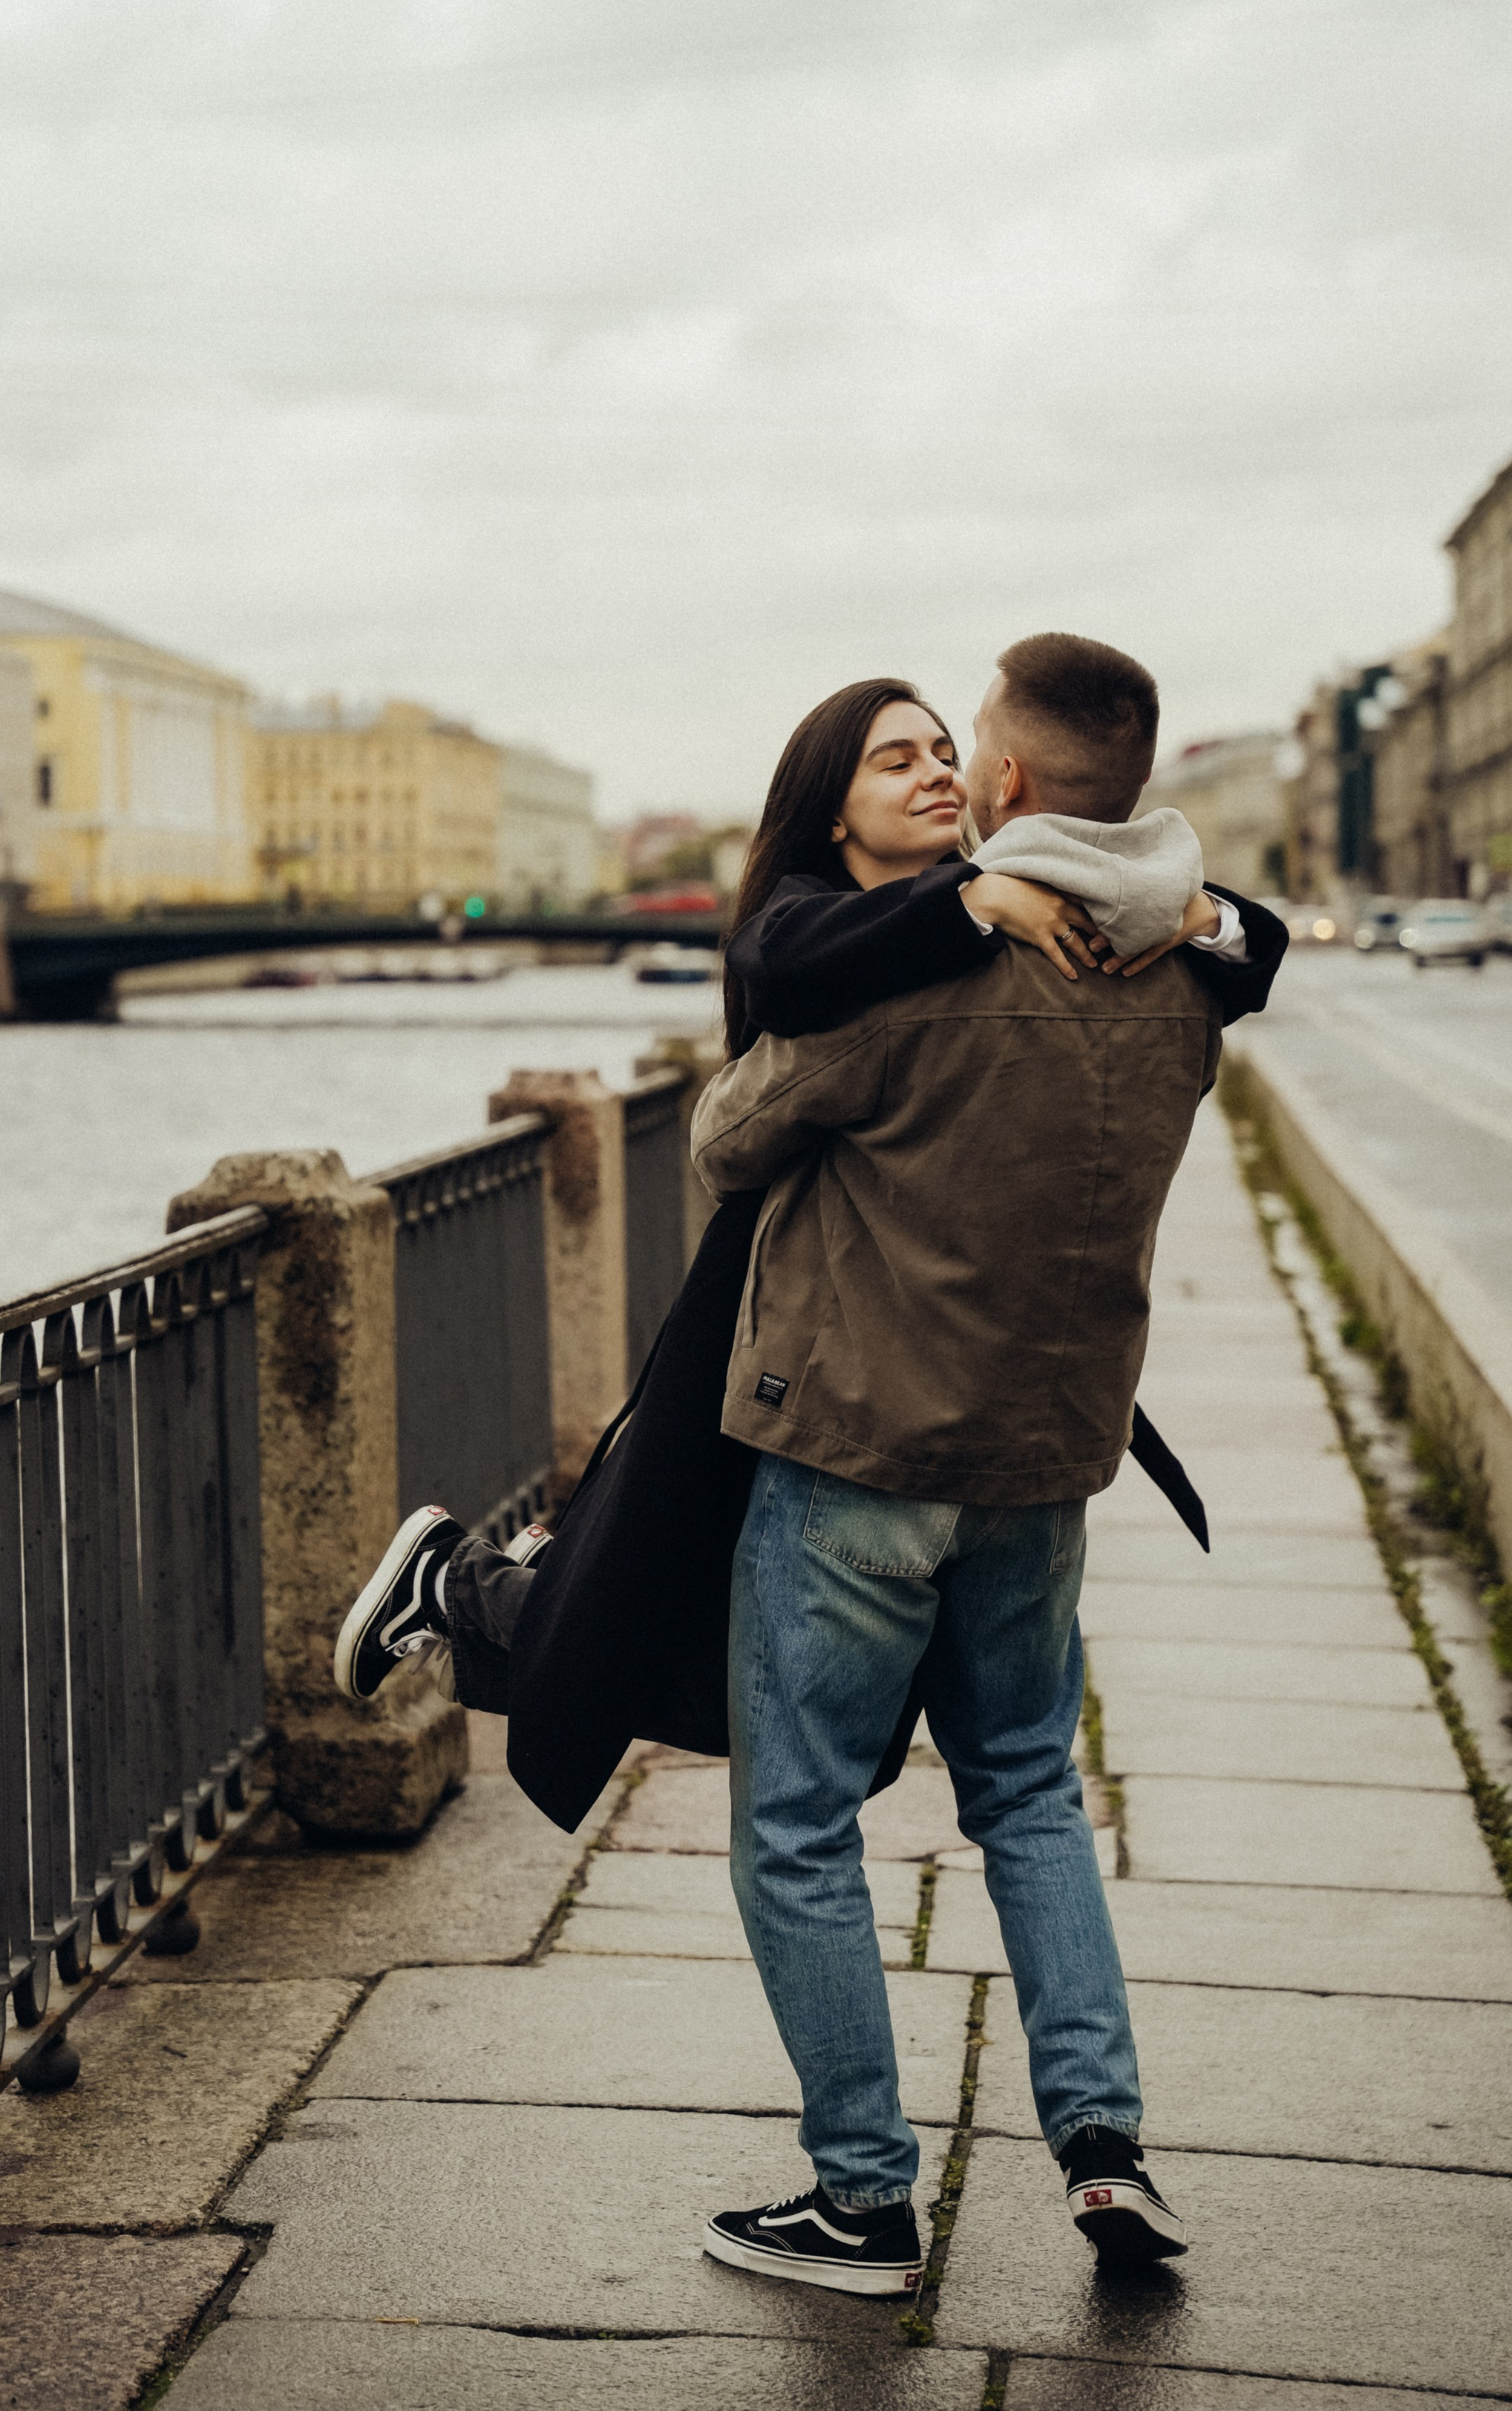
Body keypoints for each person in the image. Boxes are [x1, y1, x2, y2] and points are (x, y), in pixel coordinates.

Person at [333, 641, 1286, 2293]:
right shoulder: (1187, 984)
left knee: (792, 1824)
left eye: (958, 752)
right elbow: (1241, 944)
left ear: (999, 787)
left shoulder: (905, 981)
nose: (942, 775)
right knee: (1027, 1799)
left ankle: (861, 2198)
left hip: (860, 1454)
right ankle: (1104, 2154)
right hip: (1042, 1465)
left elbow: (722, 1140)